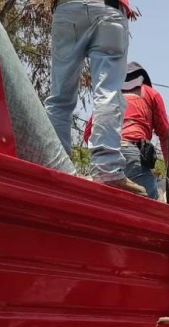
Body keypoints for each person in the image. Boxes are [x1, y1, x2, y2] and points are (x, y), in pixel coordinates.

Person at [44, 0, 145, 194]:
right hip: (108, 9)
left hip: (67, 8)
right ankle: (107, 169)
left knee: (59, 99)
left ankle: (54, 165)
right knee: (107, 93)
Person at [119, 62, 169, 199]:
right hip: (131, 155)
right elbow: (166, 136)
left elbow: (89, 132)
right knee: (152, 209)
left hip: (104, 155)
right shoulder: (150, 93)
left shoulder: (110, 94)